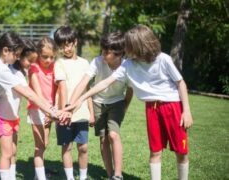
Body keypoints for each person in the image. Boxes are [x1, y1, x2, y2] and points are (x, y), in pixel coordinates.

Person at [63, 24, 193, 180]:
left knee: (181, 151)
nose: (126, 49)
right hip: (151, 108)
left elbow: (181, 83)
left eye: (129, 45)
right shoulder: (129, 64)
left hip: (173, 107)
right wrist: (81, 99)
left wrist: (186, 111)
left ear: (140, 45)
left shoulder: (163, 59)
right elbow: (104, 83)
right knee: (155, 151)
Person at [0, 32, 60, 180]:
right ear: (5, 50)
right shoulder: (2, 70)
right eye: (17, 54)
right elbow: (30, 94)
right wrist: (51, 111)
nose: (17, 58)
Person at [68, 32, 133, 180]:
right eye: (102, 50)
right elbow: (84, 82)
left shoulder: (126, 66)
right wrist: (71, 104)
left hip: (117, 102)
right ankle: (110, 174)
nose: (103, 53)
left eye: (107, 51)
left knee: (113, 135)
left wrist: (125, 107)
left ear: (118, 53)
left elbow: (130, 90)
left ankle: (118, 174)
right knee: (103, 139)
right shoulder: (97, 61)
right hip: (98, 102)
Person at [0, 39, 38, 180]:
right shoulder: (10, 71)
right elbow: (29, 94)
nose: (32, 64)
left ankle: (11, 176)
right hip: (2, 118)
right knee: (6, 153)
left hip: (13, 118)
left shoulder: (20, 72)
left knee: (13, 151)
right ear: (20, 56)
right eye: (29, 60)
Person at [54, 25, 94, 180]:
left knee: (83, 147)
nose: (66, 48)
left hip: (82, 112)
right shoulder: (59, 64)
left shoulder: (85, 63)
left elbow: (88, 90)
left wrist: (91, 112)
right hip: (65, 113)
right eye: (62, 46)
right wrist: (64, 112)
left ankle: (83, 177)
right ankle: (70, 178)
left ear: (75, 42)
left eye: (69, 44)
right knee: (67, 147)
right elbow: (62, 88)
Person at [27, 37, 58, 180]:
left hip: (50, 109)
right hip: (37, 108)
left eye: (52, 57)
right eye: (45, 57)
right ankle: (39, 177)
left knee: (45, 143)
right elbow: (38, 93)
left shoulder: (55, 67)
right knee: (39, 145)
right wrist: (46, 110)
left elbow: (57, 88)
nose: (48, 60)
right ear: (38, 54)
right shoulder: (33, 67)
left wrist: (52, 110)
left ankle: (39, 173)